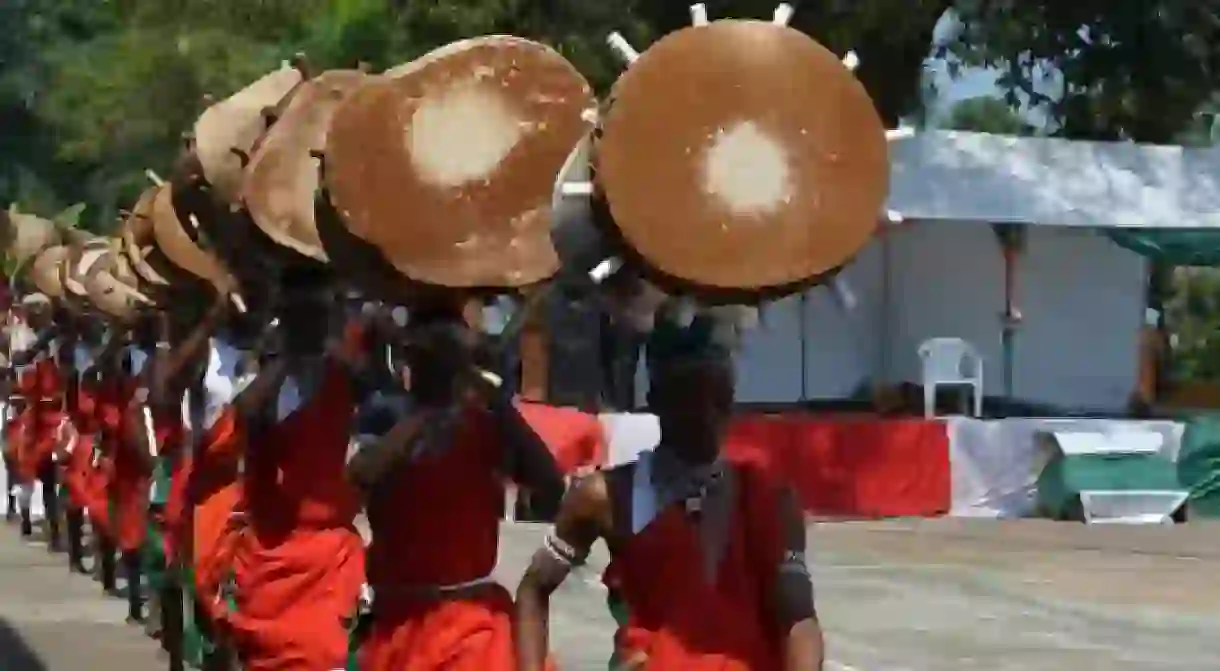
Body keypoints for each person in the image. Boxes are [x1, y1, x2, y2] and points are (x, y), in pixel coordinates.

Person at [514, 314, 825, 671]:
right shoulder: (606, 496)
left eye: (720, 401)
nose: (709, 417)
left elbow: (799, 619)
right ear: (657, 401)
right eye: (693, 400)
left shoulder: (769, 497)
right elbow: (533, 590)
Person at [347, 302, 565, 671]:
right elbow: (359, 478)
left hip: (472, 625)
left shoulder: (486, 426)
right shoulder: (384, 417)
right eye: (429, 357)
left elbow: (550, 486)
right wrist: (429, 411)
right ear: (409, 362)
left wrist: (498, 403)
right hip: (399, 627)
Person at [222, 271, 379, 671]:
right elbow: (244, 417)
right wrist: (290, 355)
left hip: (331, 556)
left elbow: (377, 359)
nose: (315, 322)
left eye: (320, 313)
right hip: (273, 555)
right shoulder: (267, 382)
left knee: (329, 655)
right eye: (303, 314)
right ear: (285, 318)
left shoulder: (343, 374)